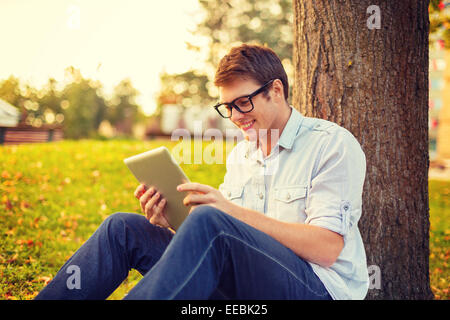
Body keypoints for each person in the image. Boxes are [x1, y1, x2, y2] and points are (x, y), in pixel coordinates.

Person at [35, 43, 368, 300]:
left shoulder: (331, 145)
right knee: (123, 228)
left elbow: (327, 248)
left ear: (276, 91)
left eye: (244, 102)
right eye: (227, 107)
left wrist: (225, 212)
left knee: (211, 219)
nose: (236, 115)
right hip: (245, 285)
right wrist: (175, 223)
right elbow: (227, 247)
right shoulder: (242, 155)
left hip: (315, 288)